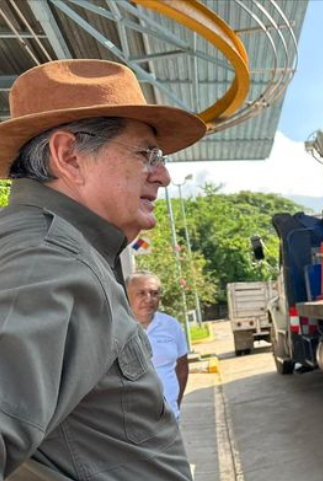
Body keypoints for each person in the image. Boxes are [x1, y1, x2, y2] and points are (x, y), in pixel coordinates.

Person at [0, 59, 206, 480]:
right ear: (69, 156)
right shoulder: (47, 259)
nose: (163, 175)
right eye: (146, 153)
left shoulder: (54, 248)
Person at [126, 271, 189, 420]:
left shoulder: (171, 325)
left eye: (154, 293)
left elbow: (182, 369)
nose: (149, 299)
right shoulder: (117, 328)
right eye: (141, 293)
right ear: (126, 296)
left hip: (170, 416)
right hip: (133, 422)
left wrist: (175, 403)